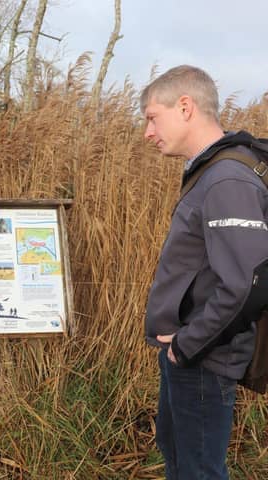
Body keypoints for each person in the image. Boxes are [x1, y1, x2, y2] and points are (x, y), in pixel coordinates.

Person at [142, 65, 268, 479]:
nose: (147, 132)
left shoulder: (226, 180)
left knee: (199, 471)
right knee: (181, 461)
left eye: (151, 117)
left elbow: (248, 284)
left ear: (185, 106)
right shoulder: (210, 173)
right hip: (188, 355)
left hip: (203, 360)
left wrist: (187, 346)